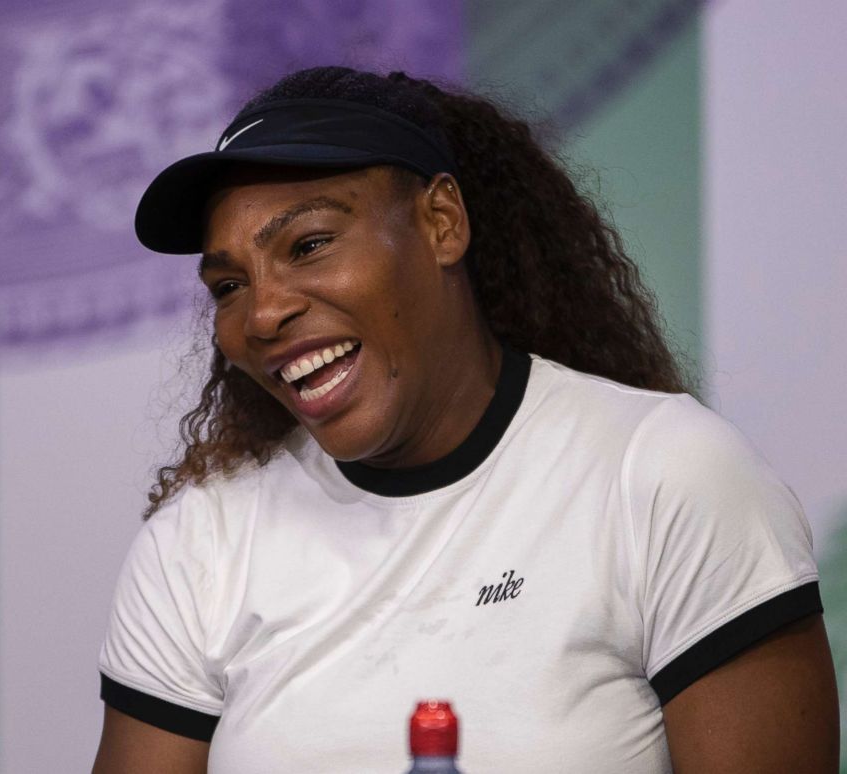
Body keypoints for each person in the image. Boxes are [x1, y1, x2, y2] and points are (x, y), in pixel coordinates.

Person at [91, 66, 839, 773]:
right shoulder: (199, 542)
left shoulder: (664, 477)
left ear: (442, 222)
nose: (262, 312)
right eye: (228, 284)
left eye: (310, 244)